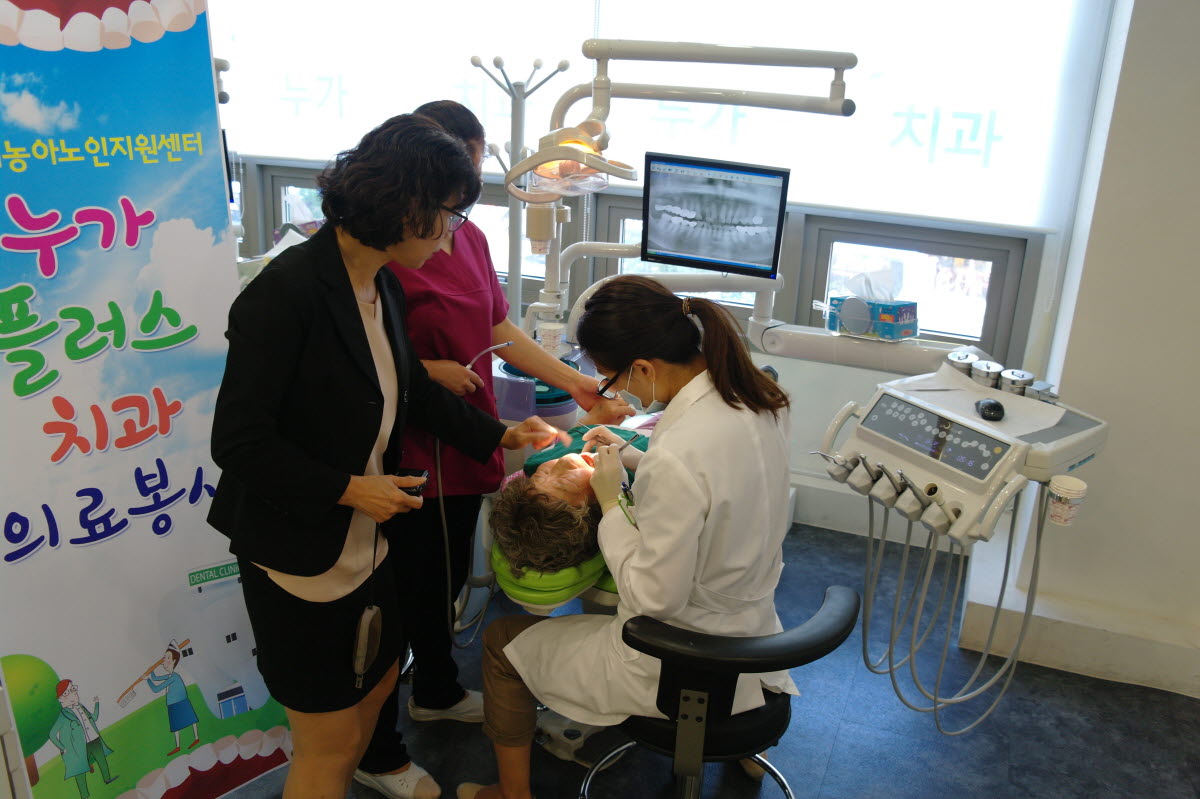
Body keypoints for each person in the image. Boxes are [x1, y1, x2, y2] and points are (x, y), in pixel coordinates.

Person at [206, 114, 563, 799]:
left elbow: (413, 390)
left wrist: (499, 435)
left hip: (368, 539)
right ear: (406, 206)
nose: (452, 235)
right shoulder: (286, 295)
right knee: (326, 743)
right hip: (300, 550)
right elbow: (240, 443)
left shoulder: (383, 284)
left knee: (373, 695)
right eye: (448, 216)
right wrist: (349, 489)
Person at [354, 101, 624, 799]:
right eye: (456, 188)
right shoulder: (382, 249)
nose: (460, 209)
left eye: (470, 182)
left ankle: (436, 689)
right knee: (404, 593)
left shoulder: (466, 237)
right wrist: (421, 369)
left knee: (443, 582)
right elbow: (357, 350)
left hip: (467, 437)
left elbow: (499, 328)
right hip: (405, 446)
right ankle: (375, 749)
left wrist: (576, 383)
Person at [458, 275, 795, 799]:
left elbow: (656, 600)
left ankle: (510, 794)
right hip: (753, 636)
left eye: (611, 380)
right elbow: (720, 491)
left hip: (677, 658)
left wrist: (613, 502)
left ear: (643, 368)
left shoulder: (677, 456)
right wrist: (634, 456)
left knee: (502, 645)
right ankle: (742, 751)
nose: (617, 393)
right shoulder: (759, 400)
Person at [489, 415, 650, 577]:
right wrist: (646, 464)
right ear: (597, 510)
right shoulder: (645, 499)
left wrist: (594, 416)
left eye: (542, 474)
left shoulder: (533, 468)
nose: (564, 460)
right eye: (566, 482)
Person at [48, 680, 117, 799]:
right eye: (67, 693)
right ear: (60, 699)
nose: (72, 694)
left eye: (73, 690)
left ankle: (107, 779)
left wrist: (97, 704)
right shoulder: (63, 716)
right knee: (79, 769)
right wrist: (62, 748)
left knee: (101, 759)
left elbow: (94, 718)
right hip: (79, 747)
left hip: (94, 739)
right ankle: (84, 795)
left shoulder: (81, 707)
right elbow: (52, 734)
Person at [145, 642, 200, 755]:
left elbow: (156, 689)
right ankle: (178, 746)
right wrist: (151, 671)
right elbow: (156, 678)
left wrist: (147, 680)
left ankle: (196, 738)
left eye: (168, 658)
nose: (164, 661)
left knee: (191, 720)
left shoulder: (174, 677)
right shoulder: (170, 676)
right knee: (176, 726)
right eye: (164, 658)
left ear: (174, 661)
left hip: (181, 702)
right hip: (172, 704)